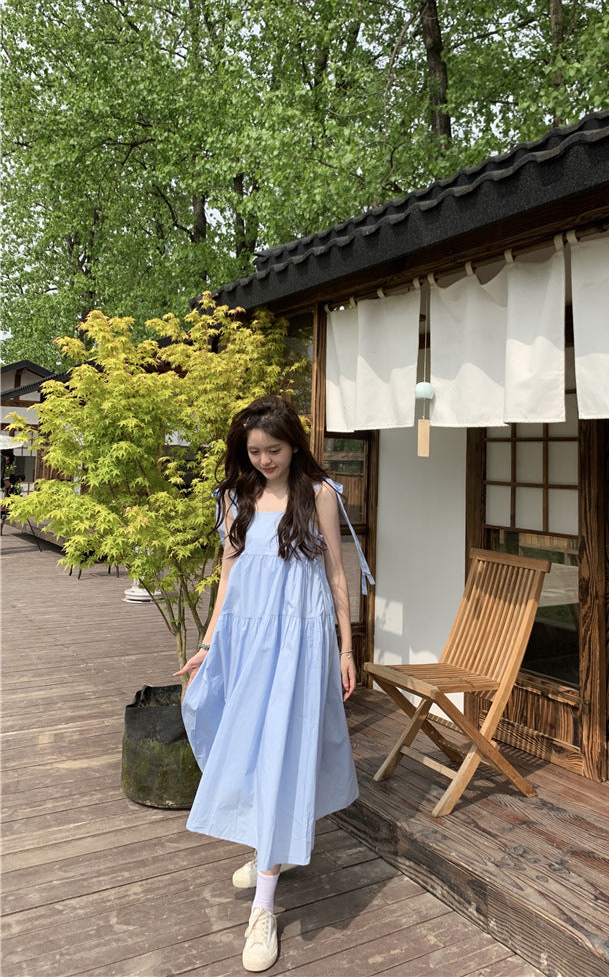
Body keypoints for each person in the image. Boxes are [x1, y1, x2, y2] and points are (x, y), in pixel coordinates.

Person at [176, 395, 372, 973]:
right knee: (247, 745)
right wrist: (209, 644)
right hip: (246, 638)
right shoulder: (235, 497)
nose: (264, 460)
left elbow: (336, 572)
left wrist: (346, 647)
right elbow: (229, 574)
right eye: (255, 451)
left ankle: (263, 907)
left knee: (282, 751)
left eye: (275, 450)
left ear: (295, 445)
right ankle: (272, 845)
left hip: (301, 641)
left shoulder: (319, 495)